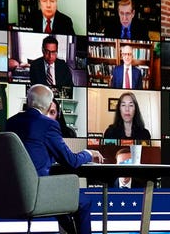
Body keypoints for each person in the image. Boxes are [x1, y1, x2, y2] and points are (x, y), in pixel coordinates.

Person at [6, 84, 104, 234]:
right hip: (36, 195)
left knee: (62, 203)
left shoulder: (11, 122)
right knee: (83, 201)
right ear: (48, 104)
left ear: (28, 100)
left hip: (11, 195)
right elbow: (71, 161)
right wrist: (89, 153)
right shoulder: (48, 124)